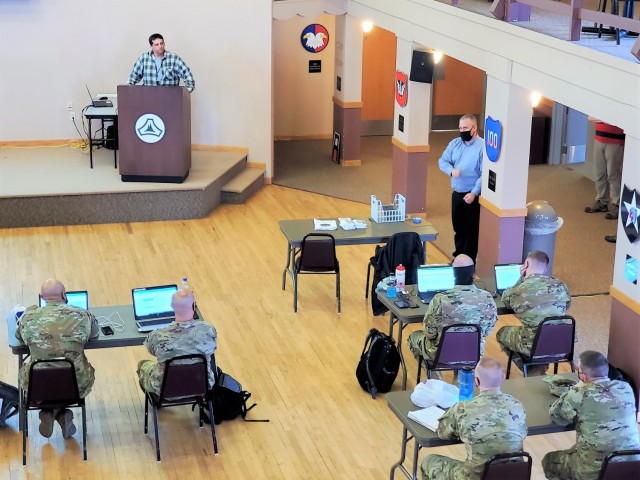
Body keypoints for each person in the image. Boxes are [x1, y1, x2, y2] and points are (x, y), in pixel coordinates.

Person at [15, 278, 99, 439]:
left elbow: (18, 336)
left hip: (38, 387)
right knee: (65, 379)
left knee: (40, 375)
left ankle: (50, 411)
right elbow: (95, 335)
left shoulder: (29, 318)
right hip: (76, 385)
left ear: (42, 296)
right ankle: (59, 413)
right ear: (63, 294)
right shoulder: (81, 314)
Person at [421, 357, 527, 480]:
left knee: (429, 462)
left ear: (476, 381)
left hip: (476, 477)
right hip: (513, 476)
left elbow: (442, 433)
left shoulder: (463, 409)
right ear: (503, 378)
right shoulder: (517, 405)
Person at [542, 350, 640, 480]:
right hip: (631, 465)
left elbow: (557, 416)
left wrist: (576, 388)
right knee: (576, 449)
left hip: (593, 472)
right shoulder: (625, 388)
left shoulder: (580, 394)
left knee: (549, 461)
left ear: (583, 376)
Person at [408, 254, 497, 362]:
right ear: (473, 273)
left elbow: (429, 333)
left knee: (413, 338)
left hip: (442, 354)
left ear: (453, 274)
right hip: (473, 353)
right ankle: (460, 375)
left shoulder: (440, 299)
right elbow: (487, 332)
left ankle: (435, 375)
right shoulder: (487, 297)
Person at [496, 250, 571, 375]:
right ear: (545, 268)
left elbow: (506, 300)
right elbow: (567, 305)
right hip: (562, 342)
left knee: (502, 333)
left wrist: (521, 278)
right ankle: (537, 369)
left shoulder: (519, 290)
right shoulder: (561, 285)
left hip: (533, 344)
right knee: (541, 332)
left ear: (525, 264)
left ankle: (533, 371)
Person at [137, 288, 216, 396]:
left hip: (166, 391)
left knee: (143, 364)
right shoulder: (208, 330)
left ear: (172, 307)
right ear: (194, 306)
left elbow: (151, 350)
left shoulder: (157, 336)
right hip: (203, 387)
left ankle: (155, 399)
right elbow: (212, 348)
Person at [438, 114, 484, 262]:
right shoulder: (455, 143)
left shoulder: (482, 147)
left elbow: (485, 174)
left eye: (465, 128)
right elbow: (443, 160)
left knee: (471, 231)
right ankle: (458, 258)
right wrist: (451, 170)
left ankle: (469, 261)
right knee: (458, 228)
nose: (462, 131)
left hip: (472, 194)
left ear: (474, 128)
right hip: (457, 193)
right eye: (460, 128)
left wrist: (474, 193)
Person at [584, 117, 625, 222]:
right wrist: (607, 120)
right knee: (600, 173)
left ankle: (616, 205)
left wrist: (602, 119)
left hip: (616, 141)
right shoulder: (601, 104)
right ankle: (602, 202)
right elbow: (591, 117)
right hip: (599, 139)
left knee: (614, 175)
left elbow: (620, 120)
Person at [128, 33, 195, 92]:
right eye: (156, 44)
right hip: (149, 98)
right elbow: (134, 76)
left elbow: (187, 75)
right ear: (151, 46)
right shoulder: (144, 58)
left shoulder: (174, 58)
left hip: (170, 99)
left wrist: (185, 92)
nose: (160, 46)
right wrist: (126, 90)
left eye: (161, 43)